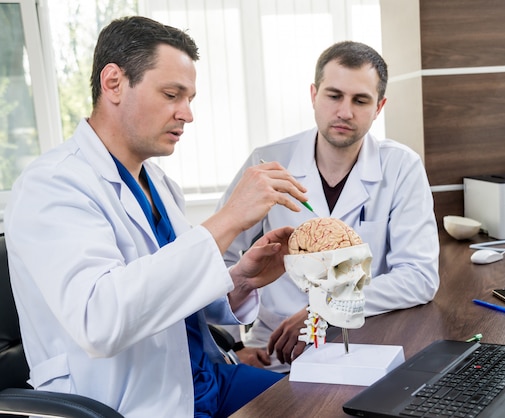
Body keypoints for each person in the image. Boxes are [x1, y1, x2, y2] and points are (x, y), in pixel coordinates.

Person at [4, 16, 312, 418]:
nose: (187, 114)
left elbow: (173, 291)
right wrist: (229, 218)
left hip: (203, 380)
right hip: (135, 402)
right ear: (113, 82)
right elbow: (100, 321)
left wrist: (240, 280)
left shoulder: (158, 182)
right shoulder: (52, 184)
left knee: (329, 401)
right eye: (172, 94)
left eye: (190, 99)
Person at [217, 41, 440, 371]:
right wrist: (231, 348)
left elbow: (419, 277)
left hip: (360, 345)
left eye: (360, 100)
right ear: (313, 95)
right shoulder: (269, 162)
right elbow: (219, 254)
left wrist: (324, 309)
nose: (345, 112)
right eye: (334, 96)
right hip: (274, 352)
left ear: (379, 107)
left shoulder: (401, 166)